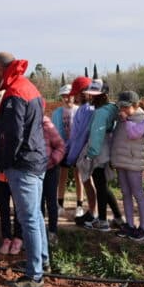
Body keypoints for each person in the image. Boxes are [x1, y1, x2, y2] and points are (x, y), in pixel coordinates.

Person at [0, 52, 48, 287]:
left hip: (23, 164)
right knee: (34, 215)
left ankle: (35, 278)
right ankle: (41, 260)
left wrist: (4, 163)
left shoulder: (15, 93)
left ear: (2, 69)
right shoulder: (28, 87)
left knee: (28, 219)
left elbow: (14, 135)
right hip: (35, 159)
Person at [81, 80, 124, 231]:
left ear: (103, 95)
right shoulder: (112, 108)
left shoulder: (100, 113)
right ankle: (118, 218)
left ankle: (103, 221)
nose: (92, 98)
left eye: (95, 95)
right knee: (104, 186)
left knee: (100, 186)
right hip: (109, 148)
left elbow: (97, 135)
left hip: (99, 151)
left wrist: (90, 155)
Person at [111, 91, 144, 240]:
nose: (122, 110)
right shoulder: (123, 118)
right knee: (126, 194)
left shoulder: (141, 118)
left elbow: (134, 134)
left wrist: (126, 120)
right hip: (122, 162)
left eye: (126, 107)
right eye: (120, 107)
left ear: (136, 105)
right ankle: (129, 225)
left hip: (133, 163)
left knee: (138, 194)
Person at [64, 76, 97, 222]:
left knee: (88, 182)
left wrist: (71, 156)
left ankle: (93, 213)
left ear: (84, 93)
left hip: (85, 152)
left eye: (76, 93)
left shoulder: (86, 110)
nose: (74, 97)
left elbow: (80, 135)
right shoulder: (87, 108)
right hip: (87, 151)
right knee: (92, 182)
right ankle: (95, 212)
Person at [51, 84, 83, 217]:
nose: (67, 98)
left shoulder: (80, 111)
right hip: (63, 148)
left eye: (69, 96)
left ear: (74, 96)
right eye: (64, 96)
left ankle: (79, 205)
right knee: (62, 176)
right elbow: (54, 131)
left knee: (78, 176)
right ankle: (60, 204)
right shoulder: (57, 113)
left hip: (77, 148)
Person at [41, 114, 65, 245]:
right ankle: (39, 234)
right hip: (34, 171)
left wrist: (52, 160)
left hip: (50, 169)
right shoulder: (26, 124)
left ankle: (52, 232)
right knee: (37, 203)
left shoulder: (47, 126)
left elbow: (61, 146)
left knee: (51, 202)